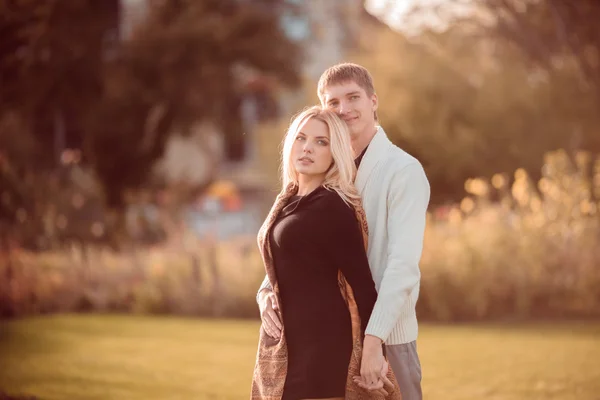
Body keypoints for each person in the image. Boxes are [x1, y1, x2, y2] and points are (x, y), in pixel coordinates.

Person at [257, 63, 431, 400]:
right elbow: (299, 247)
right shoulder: (324, 173)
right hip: (330, 340)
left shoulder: (403, 171)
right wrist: (265, 292)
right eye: (333, 102)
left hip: (387, 336)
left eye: (353, 98)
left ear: (373, 101)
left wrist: (374, 339)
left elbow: (402, 265)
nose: (344, 109)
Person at [250, 106, 401, 400]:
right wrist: (264, 293)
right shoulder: (290, 201)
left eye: (322, 142)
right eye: (301, 138)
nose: (307, 148)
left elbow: (363, 286)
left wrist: (373, 351)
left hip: (323, 348)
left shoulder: (333, 206)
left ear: (336, 153)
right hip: (291, 343)